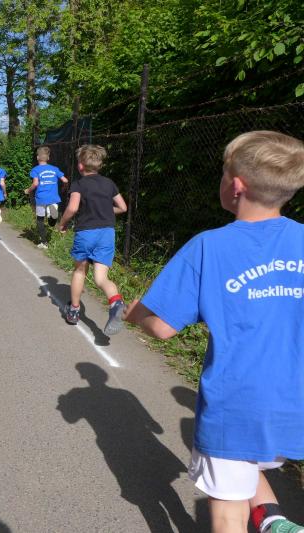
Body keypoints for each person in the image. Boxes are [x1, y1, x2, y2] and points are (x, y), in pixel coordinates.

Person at [125, 131, 304, 533]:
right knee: (256, 466)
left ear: (236, 186)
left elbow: (163, 327)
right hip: (295, 401)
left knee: (228, 511)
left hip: (236, 404)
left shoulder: (209, 246)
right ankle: (274, 520)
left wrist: (136, 315)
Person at [57, 144, 127, 335]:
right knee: (101, 278)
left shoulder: (79, 184)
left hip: (87, 232)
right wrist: (104, 210)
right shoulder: (109, 183)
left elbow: (72, 208)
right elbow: (122, 207)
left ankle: (74, 310)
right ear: (99, 164)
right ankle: (116, 302)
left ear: (80, 165)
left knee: (80, 271)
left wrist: (62, 223)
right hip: (107, 233)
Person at [26, 146, 68, 249]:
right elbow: (65, 180)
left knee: (40, 220)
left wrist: (28, 190)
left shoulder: (35, 170)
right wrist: (64, 187)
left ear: (37, 157)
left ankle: (44, 243)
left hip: (41, 198)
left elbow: (35, 184)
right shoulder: (54, 169)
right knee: (52, 221)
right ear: (48, 158)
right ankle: (52, 214)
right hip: (53, 197)